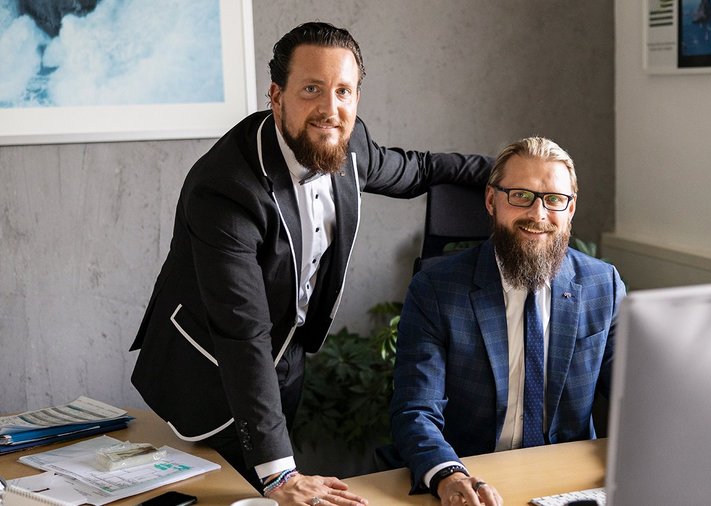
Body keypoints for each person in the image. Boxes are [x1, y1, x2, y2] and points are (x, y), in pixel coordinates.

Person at [129, 22, 491, 505]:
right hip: (208, 372)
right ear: (276, 96)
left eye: (344, 91)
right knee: (229, 494)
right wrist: (280, 476)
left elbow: (421, 169)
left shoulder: (350, 142)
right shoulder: (225, 189)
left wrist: (513, 174)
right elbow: (243, 335)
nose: (330, 108)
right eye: (312, 90)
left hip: (286, 359)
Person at [389, 137, 626, 506]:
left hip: (569, 481)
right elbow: (415, 409)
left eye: (554, 199)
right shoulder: (436, 289)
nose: (538, 214)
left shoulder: (603, 285)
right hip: (476, 479)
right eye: (521, 195)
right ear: (491, 200)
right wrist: (448, 474)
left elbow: (634, 395)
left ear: (571, 208)